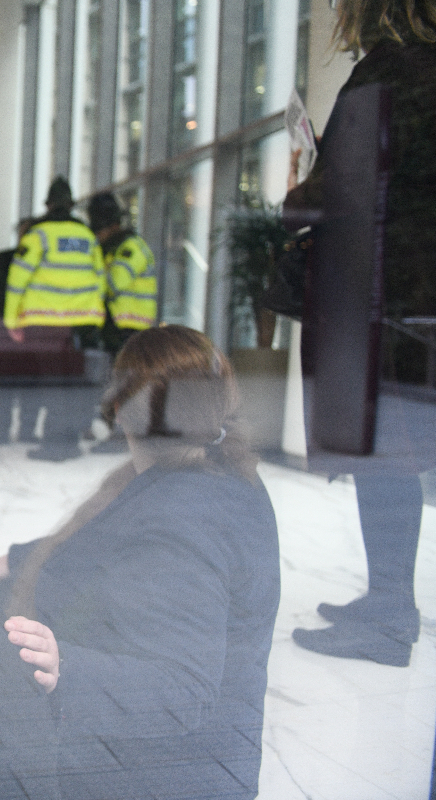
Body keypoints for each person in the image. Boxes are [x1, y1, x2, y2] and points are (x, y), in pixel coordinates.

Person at [0, 325, 281, 800]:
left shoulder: (181, 523)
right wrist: (22, 559)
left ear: (119, 410)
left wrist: (67, 668)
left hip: (162, 777)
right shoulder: (211, 470)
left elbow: (180, 687)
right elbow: (114, 539)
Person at [286, 0, 436, 668]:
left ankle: (389, 616)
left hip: (382, 298)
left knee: (385, 459)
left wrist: (297, 195)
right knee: (398, 457)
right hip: (418, 297)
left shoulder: (390, 73)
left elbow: (340, 192)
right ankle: (387, 599)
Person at [3, 177, 107, 462]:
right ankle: (69, 442)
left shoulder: (38, 235)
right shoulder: (87, 236)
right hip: (82, 323)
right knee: (73, 384)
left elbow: (17, 280)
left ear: (48, 204)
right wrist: (95, 318)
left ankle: (53, 445)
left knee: (51, 384)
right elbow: (100, 280)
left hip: (45, 323)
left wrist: (12, 321)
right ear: (71, 205)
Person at [0, 217, 41, 446]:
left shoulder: (41, 264)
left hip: (32, 330)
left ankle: (27, 430)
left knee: (31, 383)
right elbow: (5, 289)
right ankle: (0, 431)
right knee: (1, 384)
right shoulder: (4, 258)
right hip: (5, 329)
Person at [87, 192, 157, 348]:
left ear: (114, 226)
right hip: (116, 329)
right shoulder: (111, 250)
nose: (97, 236)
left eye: (100, 230)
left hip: (131, 330)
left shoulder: (131, 248)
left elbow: (113, 283)